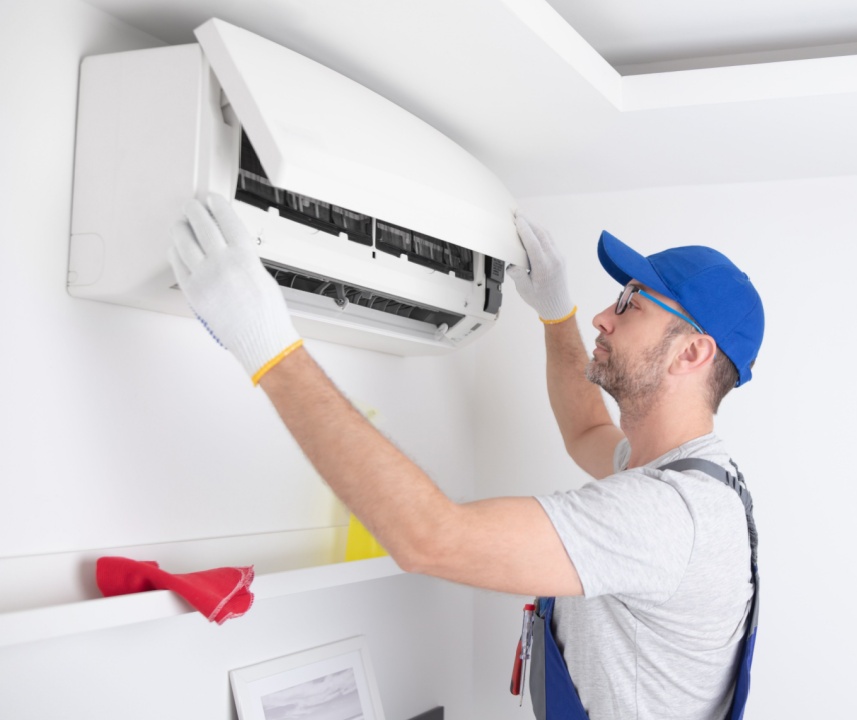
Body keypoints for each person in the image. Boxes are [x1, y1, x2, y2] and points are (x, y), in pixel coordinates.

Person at [168, 196, 765, 720]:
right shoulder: (688, 474)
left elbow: (429, 539)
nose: (605, 316)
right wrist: (556, 315)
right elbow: (586, 429)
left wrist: (267, 345)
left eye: (633, 304)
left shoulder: (666, 516)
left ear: (692, 352)